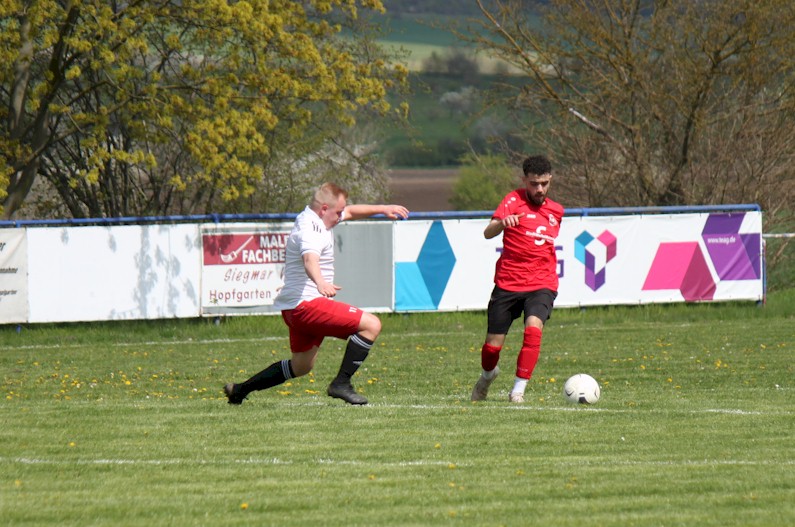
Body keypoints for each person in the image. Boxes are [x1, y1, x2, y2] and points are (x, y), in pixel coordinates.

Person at [224, 182, 409, 406]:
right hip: (306, 305)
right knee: (371, 325)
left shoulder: (318, 218)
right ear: (324, 209)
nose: (341, 216)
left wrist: (383, 208)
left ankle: (239, 390)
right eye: (338, 212)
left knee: (301, 366)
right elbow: (309, 259)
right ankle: (341, 384)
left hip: (294, 308)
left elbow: (351, 211)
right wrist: (320, 282)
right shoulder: (310, 229)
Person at [471, 155, 564, 404]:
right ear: (524, 180)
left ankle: (518, 391)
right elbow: (487, 232)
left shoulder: (556, 211)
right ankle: (487, 376)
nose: (539, 189)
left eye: (544, 183)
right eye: (534, 184)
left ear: (550, 179)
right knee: (492, 348)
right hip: (508, 283)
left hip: (542, 283)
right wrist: (502, 223)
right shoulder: (512, 201)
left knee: (533, 328)